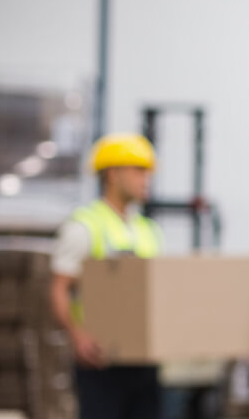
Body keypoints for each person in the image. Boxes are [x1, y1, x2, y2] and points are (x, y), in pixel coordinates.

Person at [49, 133, 164, 419]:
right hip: (101, 360)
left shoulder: (149, 230)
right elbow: (59, 288)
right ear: (112, 174)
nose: (146, 178)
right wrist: (78, 337)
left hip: (145, 360)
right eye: (138, 170)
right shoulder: (85, 226)